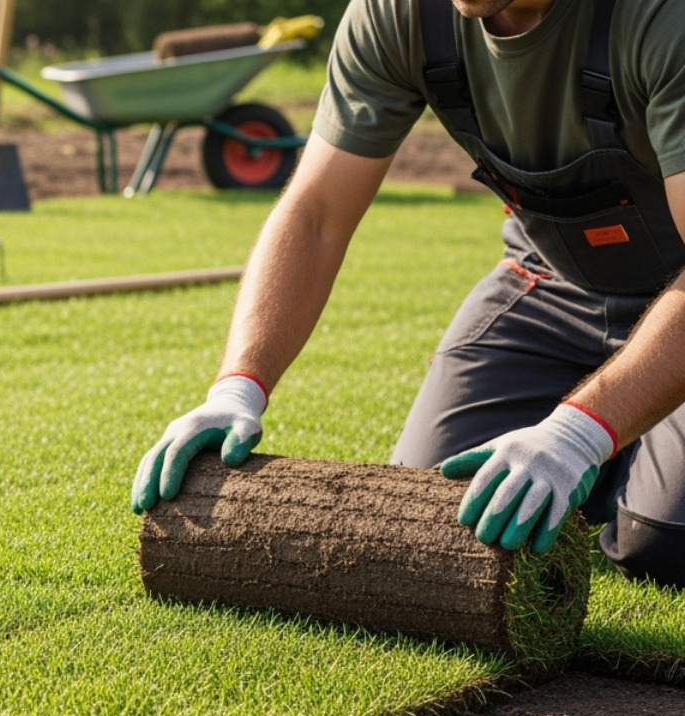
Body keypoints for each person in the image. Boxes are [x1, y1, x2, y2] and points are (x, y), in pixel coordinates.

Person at [130, 0, 685, 586]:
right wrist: (237, 387)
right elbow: (315, 214)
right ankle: (631, 443)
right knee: (432, 510)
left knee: (662, 547)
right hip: (550, 285)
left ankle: (631, 449)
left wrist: (578, 432)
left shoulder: (660, 19)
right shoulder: (401, 13)